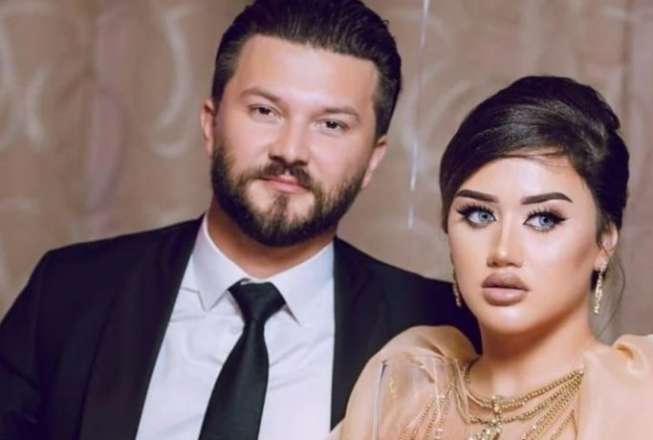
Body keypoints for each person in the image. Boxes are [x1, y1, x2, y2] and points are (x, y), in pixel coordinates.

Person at [0, 1, 476, 439]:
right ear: (211, 124)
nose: (291, 150)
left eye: (331, 124)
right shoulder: (68, 291)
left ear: (373, 159)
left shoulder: (440, 328)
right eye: (265, 110)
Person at [334, 76, 653, 439]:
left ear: (604, 242)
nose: (503, 252)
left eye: (544, 219)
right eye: (479, 215)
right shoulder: (406, 390)